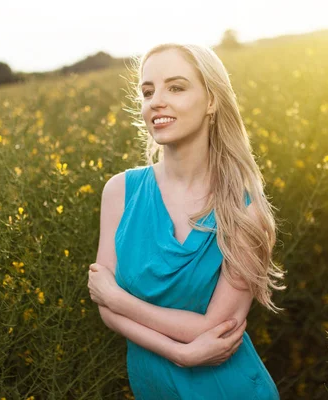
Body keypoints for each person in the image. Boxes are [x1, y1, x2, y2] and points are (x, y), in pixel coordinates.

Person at [88, 42, 286, 400]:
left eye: (176, 87)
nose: (156, 101)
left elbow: (213, 330)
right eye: (148, 91)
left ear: (211, 101)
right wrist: (179, 354)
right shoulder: (120, 192)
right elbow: (106, 310)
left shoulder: (244, 211)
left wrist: (119, 299)